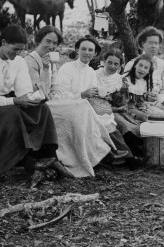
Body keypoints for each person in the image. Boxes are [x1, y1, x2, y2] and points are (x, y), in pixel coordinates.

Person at [0, 25, 62, 184]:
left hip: (9, 101)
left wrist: (35, 98)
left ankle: (52, 158)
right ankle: (30, 163)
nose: (17, 54)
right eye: (15, 49)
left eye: (21, 50)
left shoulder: (18, 62)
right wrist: (15, 100)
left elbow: (23, 90)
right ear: (3, 42)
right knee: (12, 113)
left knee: (42, 109)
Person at [49, 36, 125, 177]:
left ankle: (106, 155)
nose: (87, 52)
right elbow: (59, 95)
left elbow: (94, 93)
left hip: (83, 107)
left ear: (95, 53)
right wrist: (82, 95)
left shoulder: (90, 71)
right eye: (83, 49)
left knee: (99, 118)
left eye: (91, 50)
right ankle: (105, 155)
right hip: (64, 107)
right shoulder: (67, 68)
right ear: (77, 50)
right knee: (87, 118)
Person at [123, 26, 164, 107]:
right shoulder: (132, 64)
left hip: (157, 105)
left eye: (156, 43)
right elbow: (126, 91)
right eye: (150, 42)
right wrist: (144, 96)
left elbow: (163, 90)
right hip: (137, 105)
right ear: (143, 44)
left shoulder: (161, 64)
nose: (153, 46)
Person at [24, 25, 62, 95]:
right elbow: (39, 92)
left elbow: (55, 85)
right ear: (39, 41)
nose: (51, 47)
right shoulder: (30, 61)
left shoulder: (51, 60)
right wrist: (45, 69)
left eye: (55, 43)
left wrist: (56, 95)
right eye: (48, 42)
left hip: (49, 100)